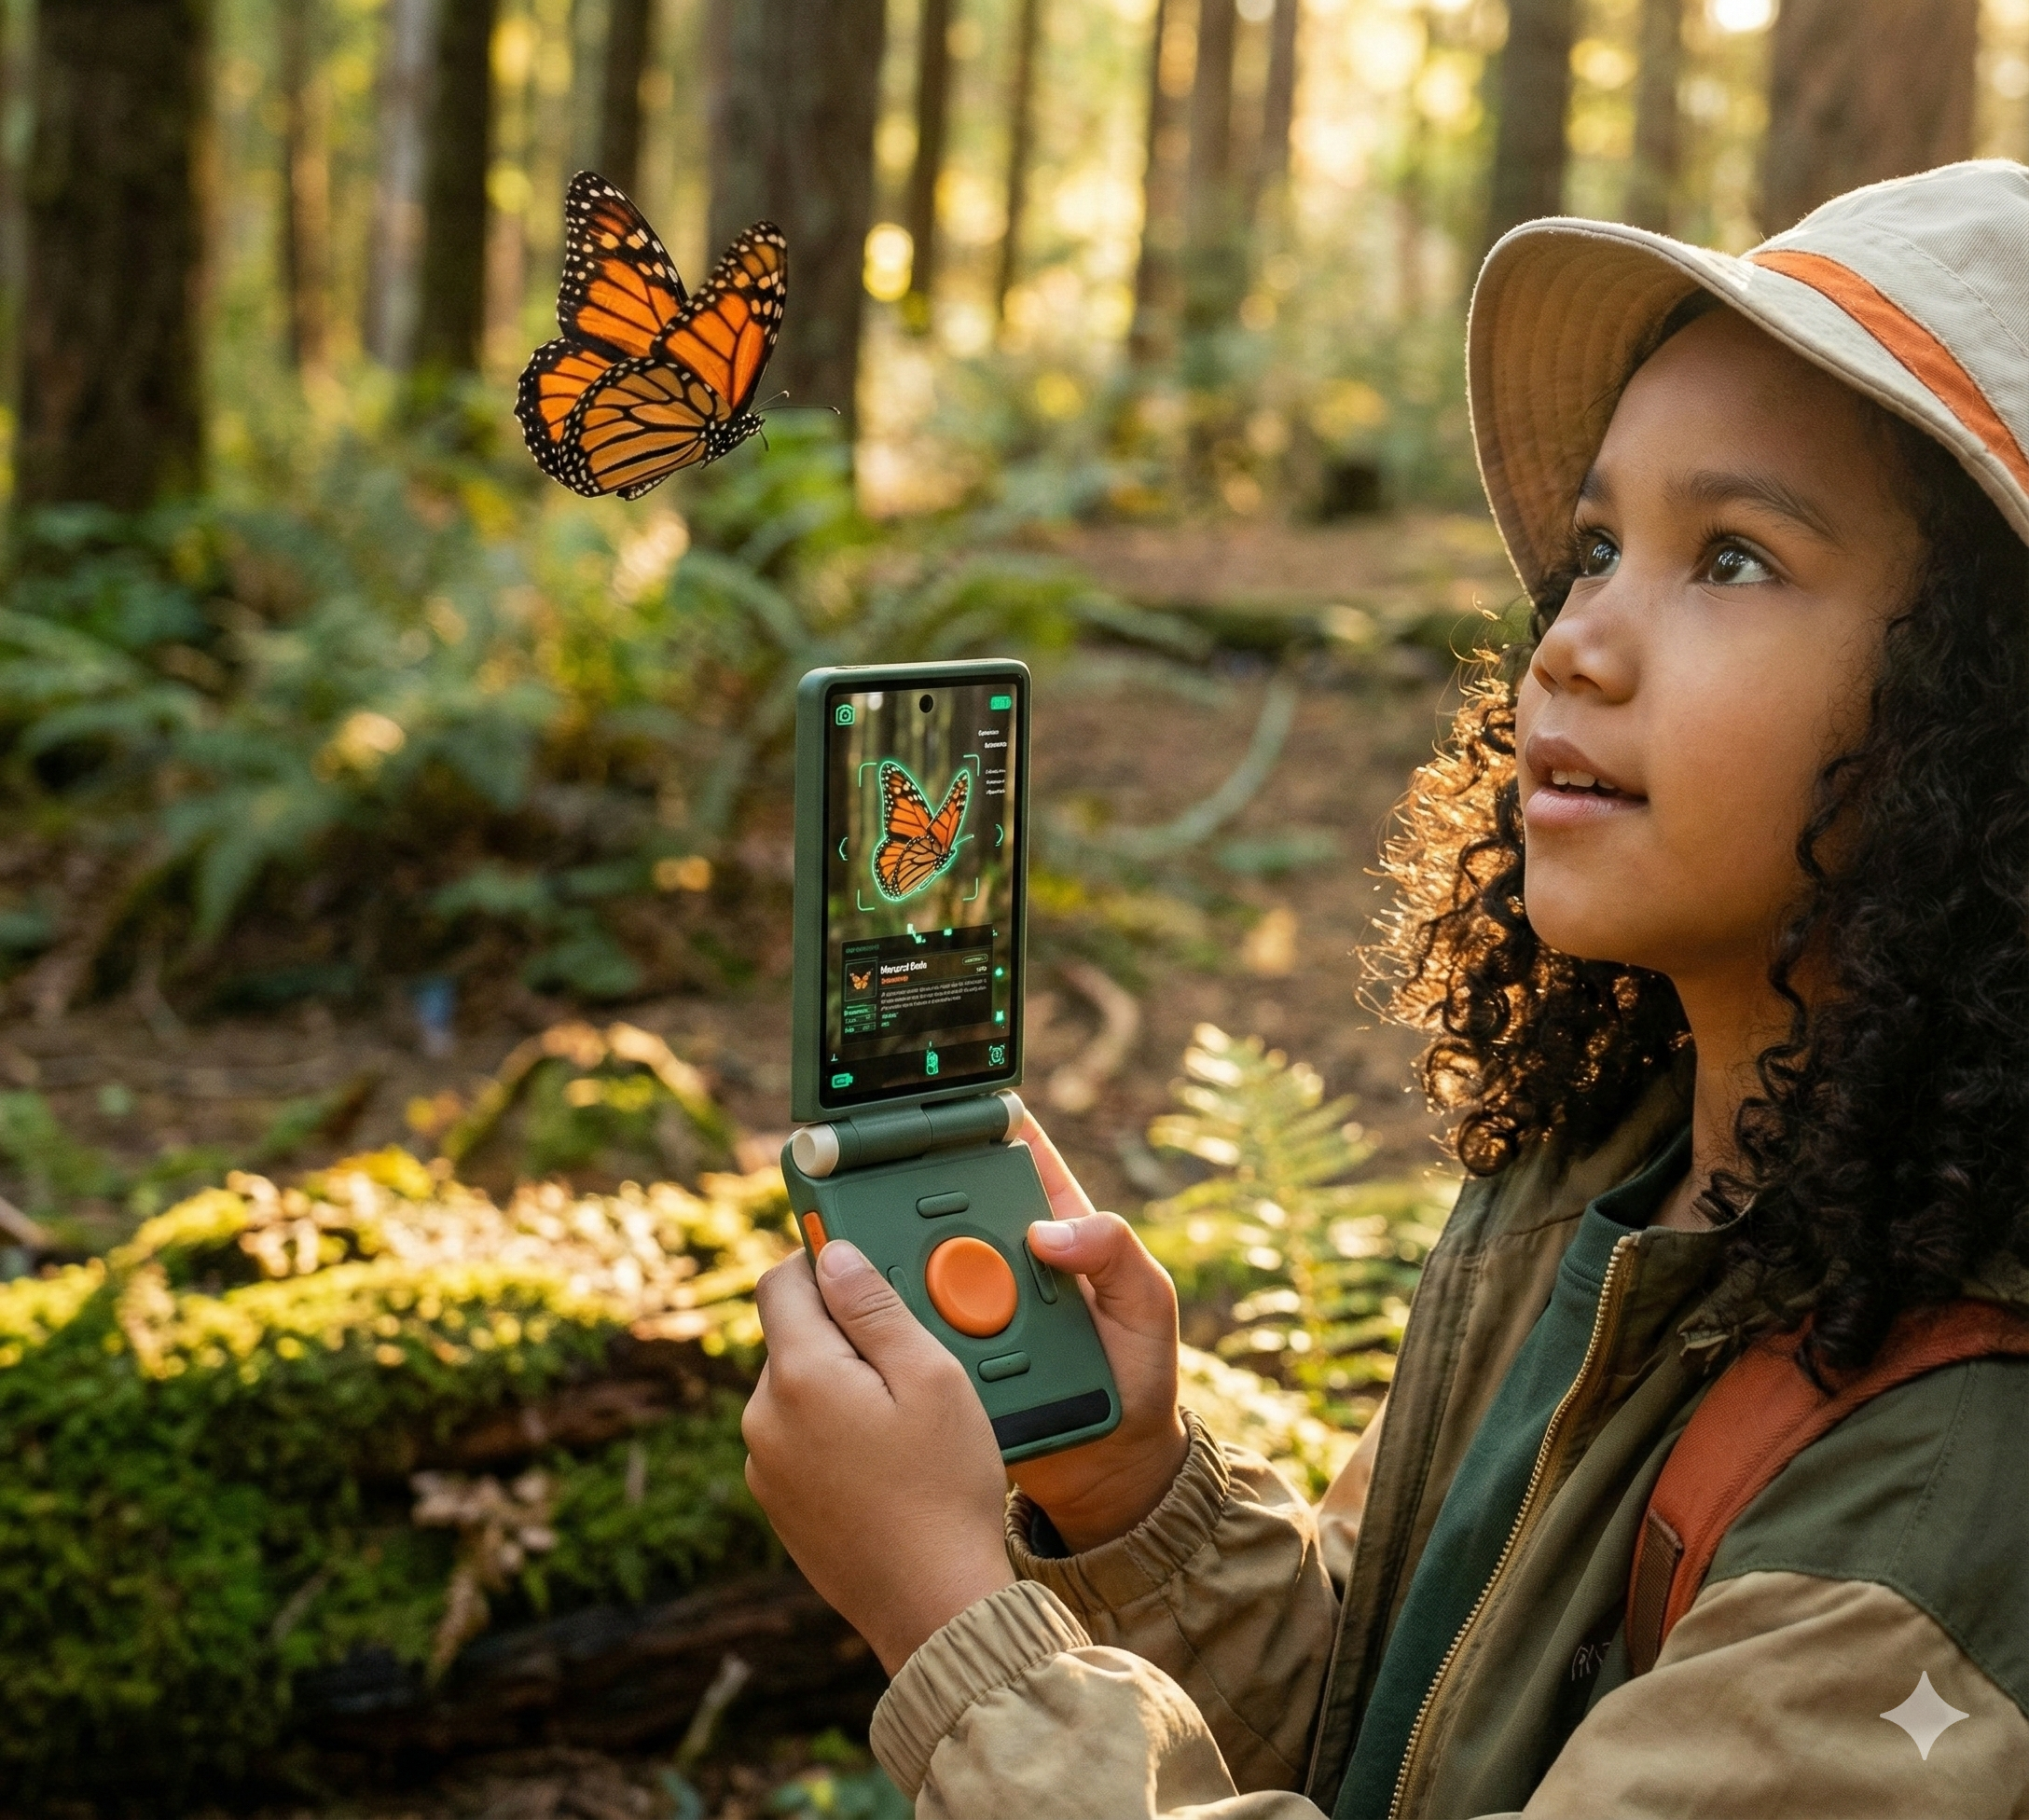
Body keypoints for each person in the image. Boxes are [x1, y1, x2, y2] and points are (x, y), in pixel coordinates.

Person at [740, 160, 2029, 1817]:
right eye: (1595, 543)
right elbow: (1394, 1736)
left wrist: (961, 1627)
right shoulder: (1603, 1188)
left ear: (1982, 724)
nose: (1576, 641)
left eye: (1734, 559)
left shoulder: (1947, 1487)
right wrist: (1138, 1497)